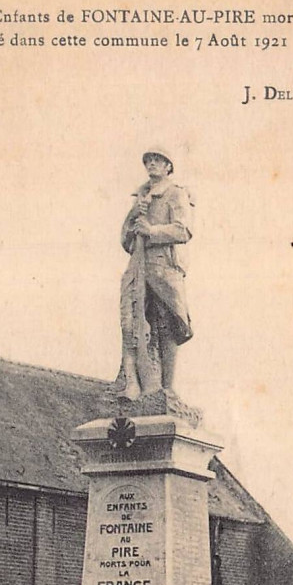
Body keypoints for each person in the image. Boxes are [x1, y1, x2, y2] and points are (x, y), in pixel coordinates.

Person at [118, 148, 194, 399]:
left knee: (168, 325)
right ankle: (138, 385)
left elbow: (183, 231)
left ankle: (167, 388)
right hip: (139, 268)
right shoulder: (140, 196)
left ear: (168, 167)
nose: (152, 164)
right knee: (134, 325)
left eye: (157, 160)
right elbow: (125, 240)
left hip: (164, 270)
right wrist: (133, 217)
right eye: (148, 161)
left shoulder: (175, 193)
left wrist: (152, 230)